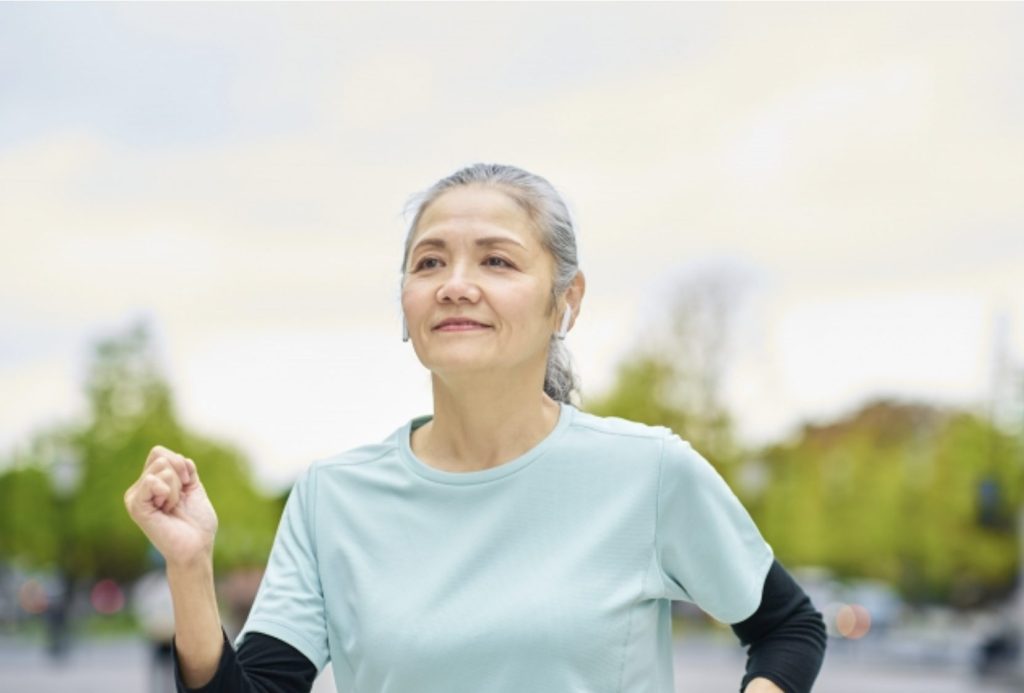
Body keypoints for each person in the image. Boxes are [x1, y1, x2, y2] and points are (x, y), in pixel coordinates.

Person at [124, 163, 827, 693]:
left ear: (566, 301)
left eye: (496, 259)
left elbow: (788, 628)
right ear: (406, 305)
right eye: (430, 261)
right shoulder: (329, 499)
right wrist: (189, 569)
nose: (456, 283)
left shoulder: (648, 472)